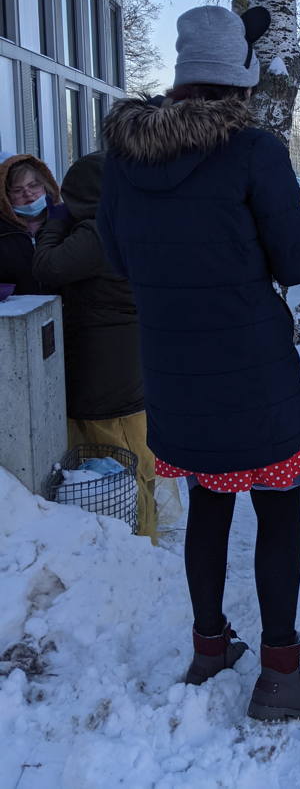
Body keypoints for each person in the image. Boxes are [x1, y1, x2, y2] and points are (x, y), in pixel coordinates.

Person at [97, 5, 300, 721]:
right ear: (240, 80)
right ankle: (281, 676)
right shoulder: (255, 151)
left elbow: (114, 256)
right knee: (279, 510)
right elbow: (297, 261)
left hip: (173, 369)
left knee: (208, 503)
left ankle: (209, 646)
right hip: (252, 371)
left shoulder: (125, 158)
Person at [32, 151, 158, 540]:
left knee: (113, 456)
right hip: (124, 360)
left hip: (104, 367)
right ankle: (145, 532)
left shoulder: (98, 230)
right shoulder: (134, 220)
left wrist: (53, 224)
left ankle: (134, 539)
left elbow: (47, 269)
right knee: (133, 452)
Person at [0, 154, 60, 294]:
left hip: (64, 310)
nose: (28, 194)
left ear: (46, 186)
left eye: (33, 186)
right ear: (6, 197)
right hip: (18, 312)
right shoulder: (3, 232)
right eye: (17, 190)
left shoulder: (66, 222)